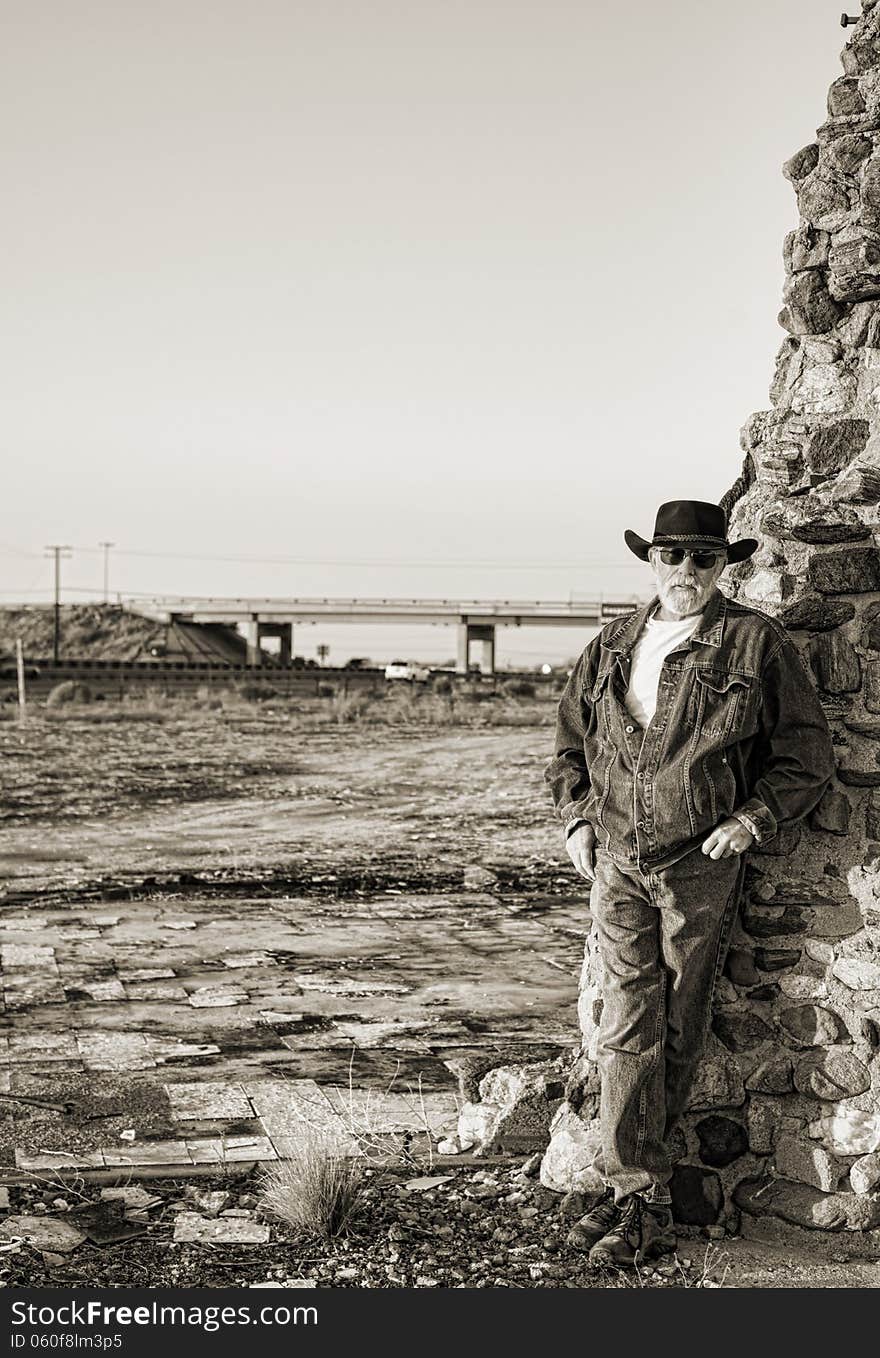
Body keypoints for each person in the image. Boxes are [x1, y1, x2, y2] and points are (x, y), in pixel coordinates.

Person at [544, 500, 835, 1268]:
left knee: (674, 1027)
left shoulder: (754, 641)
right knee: (626, 1025)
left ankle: (632, 1193)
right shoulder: (612, 644)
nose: (687, 573)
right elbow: (571, 744)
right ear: (652, 562)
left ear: (724, 566)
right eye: (673, 557)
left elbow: (806, 754)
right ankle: (637, 1190)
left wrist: (752, 821)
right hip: (615, 859)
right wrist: (576, 821)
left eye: (704, 560)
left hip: (698, 865)